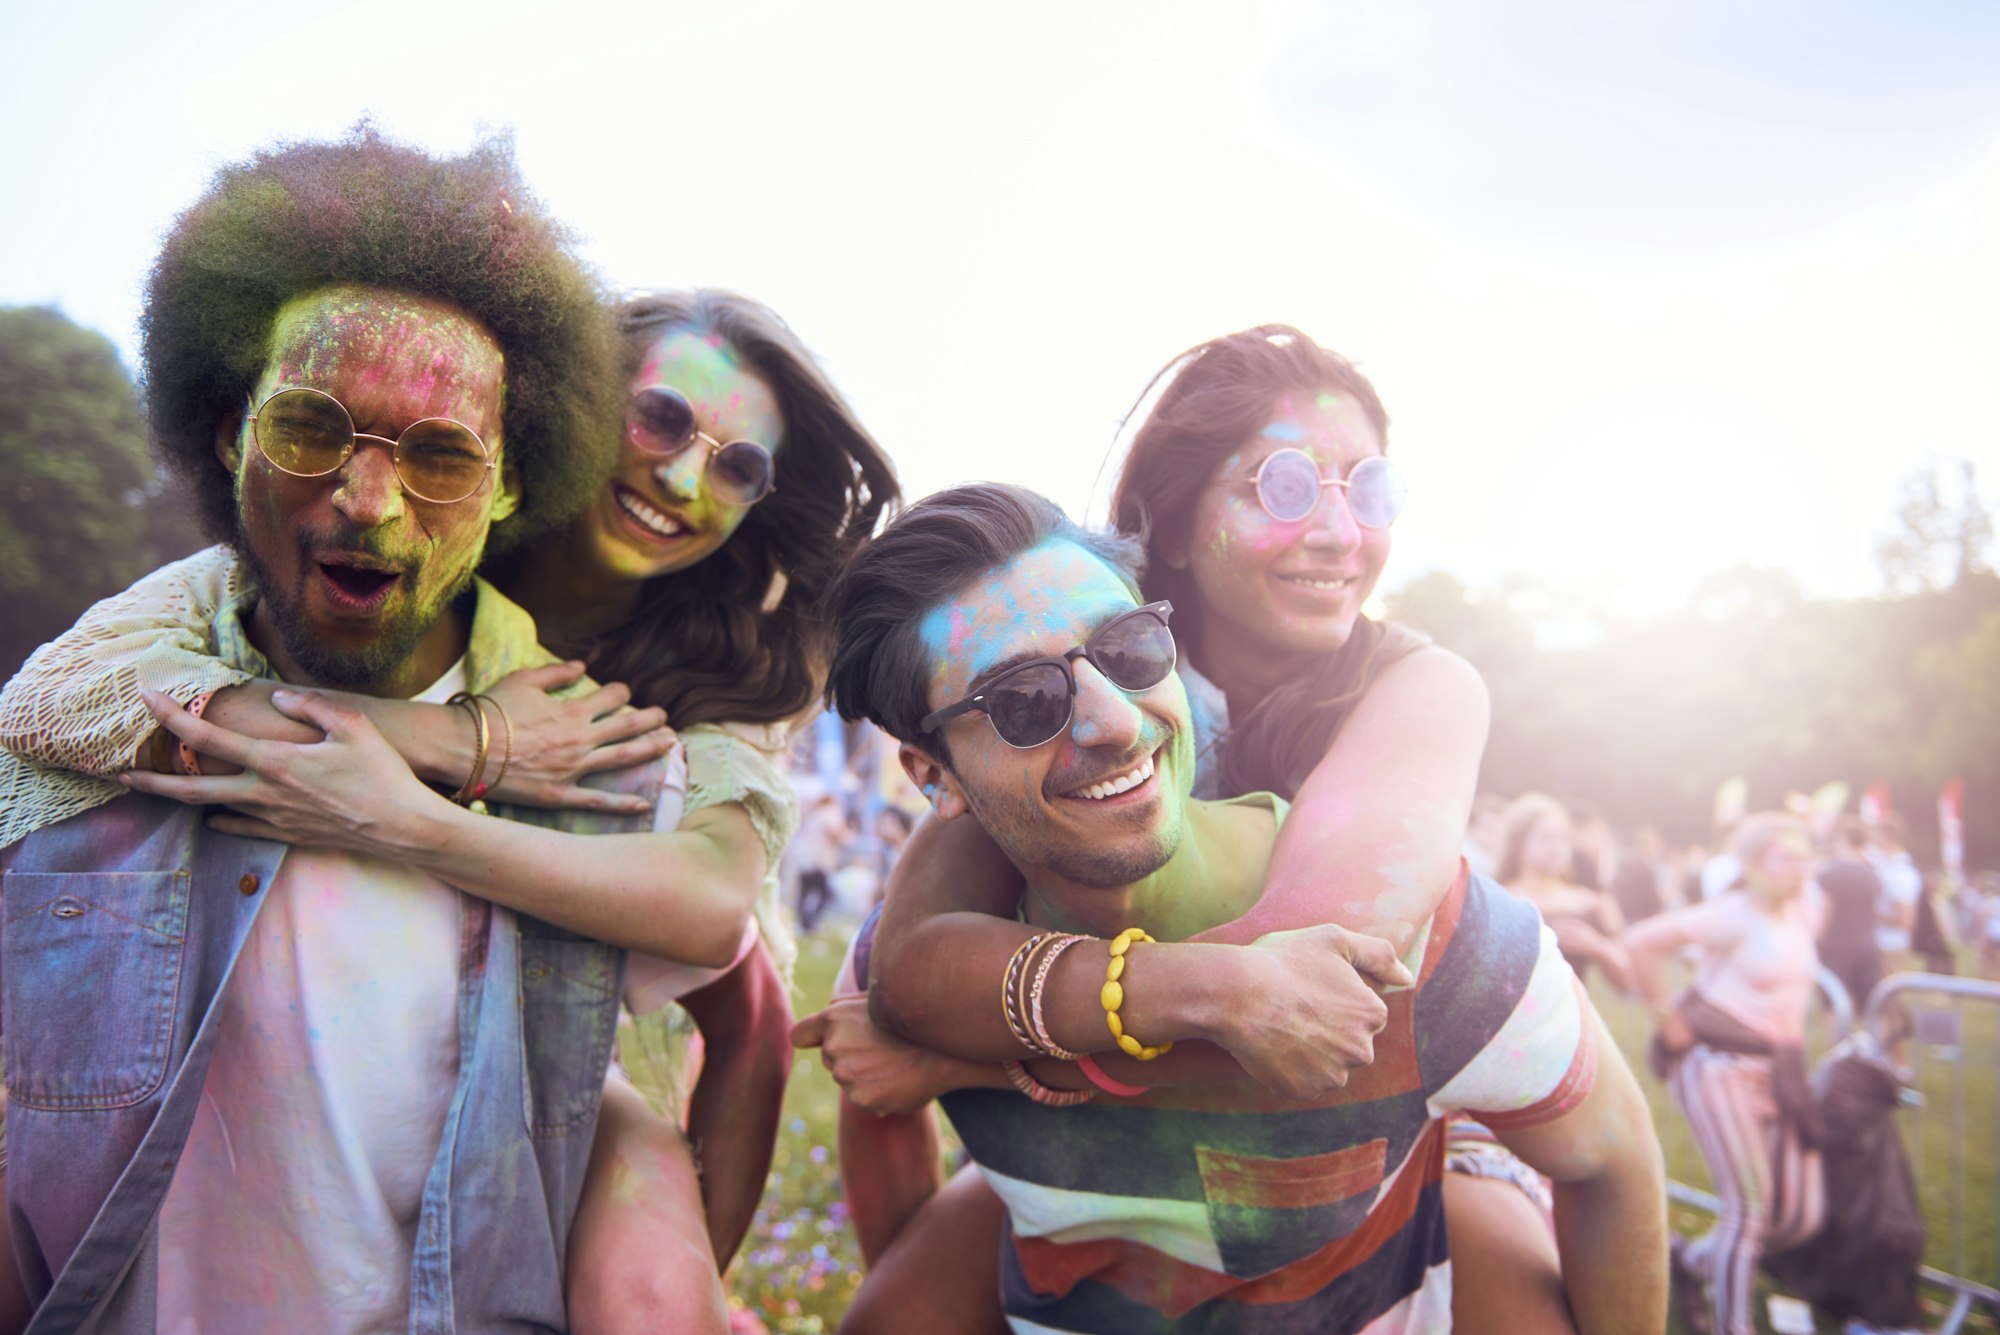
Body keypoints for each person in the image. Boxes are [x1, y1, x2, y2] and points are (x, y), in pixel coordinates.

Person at [0, 138, 898, 1331]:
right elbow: (56, 694)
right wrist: (452, 738)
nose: (683, 478)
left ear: (509, 467)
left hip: (581, 1062)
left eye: (733, 465)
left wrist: (405, 815)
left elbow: (721, 946)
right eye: (662, 418)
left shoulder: (707, 687)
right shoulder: (301, 569)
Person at [811, 326, 1589, 1333]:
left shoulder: (1416, 687)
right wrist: (924, 1017)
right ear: (1171, 528)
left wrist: (979, 1059)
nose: (1337, 532)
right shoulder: (1068, 668)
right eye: (1283, 487)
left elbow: (1300, 999)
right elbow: (914, 967)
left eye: (1367, 489)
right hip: (1129, 1146)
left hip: (1395, 1118)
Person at [1625, 813, 1826, 1335]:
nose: (1800, 868)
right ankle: (1733, 1326)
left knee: (1801, 1215)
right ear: (1754, 865)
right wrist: (1667, 1017)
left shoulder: (1804, 911)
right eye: (1787, 857)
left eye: (1806, 856)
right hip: (1720, 1068)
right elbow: (1643, 941)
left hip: (1779, 1075)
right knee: (1751, 1212)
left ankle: (1692, 1262)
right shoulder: (1732, 913)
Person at [1496, 793, 1635, 994]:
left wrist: (1597, 946)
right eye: (1547, 837)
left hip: (1568, 1018)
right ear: (1518, 842)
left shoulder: (1584, 901)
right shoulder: (1498, 900)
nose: (1558, 847)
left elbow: (1625, 981)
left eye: (1564, 838)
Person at [1816, 817, 1886, 1014]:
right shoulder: (1872, 874)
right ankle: (1874, 1045)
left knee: (1833, 1006)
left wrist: (1815, 942)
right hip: (1868, 946)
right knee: (1872, 1007)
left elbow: (1825, 913)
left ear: (1843, 840)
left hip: (1836, 948)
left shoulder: (1828, 874)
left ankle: (1837, 1045)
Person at [1867, 815, 1922, 959]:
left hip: (1890, 948)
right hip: (1880, 946)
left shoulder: (1900, 872)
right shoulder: (1885, 866)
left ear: (1887, 836)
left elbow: (1905, 920)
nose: (1871, 839)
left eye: (1874, 834)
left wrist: (1867, 912)